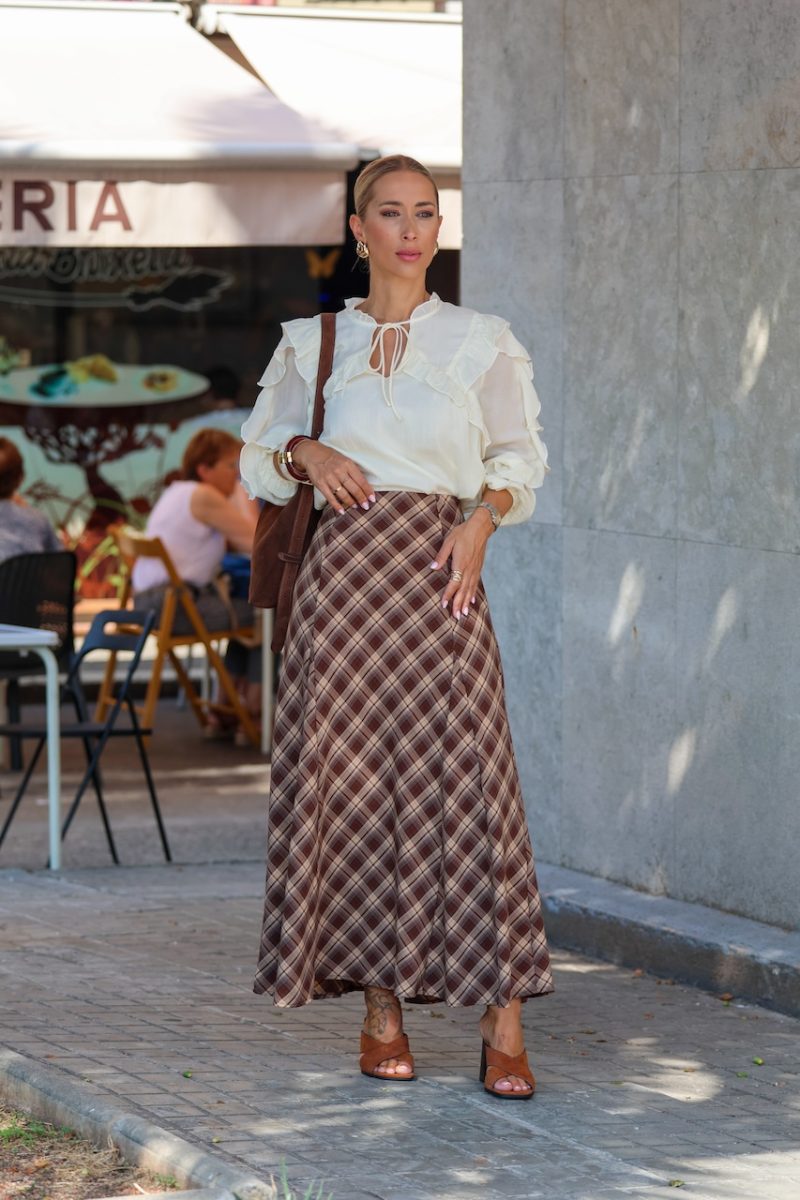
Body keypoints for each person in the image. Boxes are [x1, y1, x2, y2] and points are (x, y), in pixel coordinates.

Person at [241, 155, 553, 1099]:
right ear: (358, 227)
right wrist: (306, 451)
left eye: (426, 213)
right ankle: (382, 1011)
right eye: (391, 212)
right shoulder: (311, 342)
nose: (411, 230)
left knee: (474, 783)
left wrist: (482, 520)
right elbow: (256, 458)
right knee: (354, 789)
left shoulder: (481, 340)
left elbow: (521, 459)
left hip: (439, 573)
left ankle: (503, 1013)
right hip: (342, 585)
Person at [132, 428, 261, 741]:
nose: (236, 473)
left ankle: (224, 707)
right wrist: (244, 491)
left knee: (247, 615)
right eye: (231, 466)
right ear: (205, 469)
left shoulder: (177, 491)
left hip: (149, 604)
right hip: (175, 607)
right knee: (263, 617)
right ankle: (253, 713)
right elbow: (258, 541)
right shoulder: (205, 496)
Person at [0, 437, 63, 565]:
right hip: (29, 579)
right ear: (21, 478)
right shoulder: (38, 520)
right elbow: (61, 565)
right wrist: (27, 512)